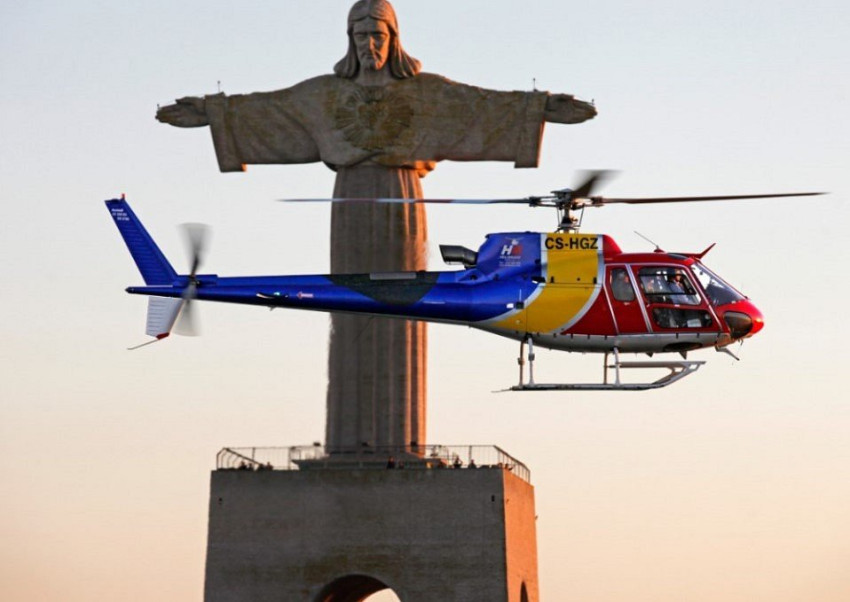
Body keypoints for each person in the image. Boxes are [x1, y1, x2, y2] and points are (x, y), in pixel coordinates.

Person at [155, 0, 597, 454]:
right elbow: (269, 109)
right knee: (350, 299)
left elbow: (483, 106)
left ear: (394, 38)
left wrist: (540, 110)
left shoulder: (428, 93)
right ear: (349, 40)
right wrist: (213, 114)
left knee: (407, 302)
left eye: (377, 35)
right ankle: (354, 450)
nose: (368, 45)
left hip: (402, 201)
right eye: (359, 36)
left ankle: (397, 450)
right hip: (350, 205)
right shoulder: (323, 93)